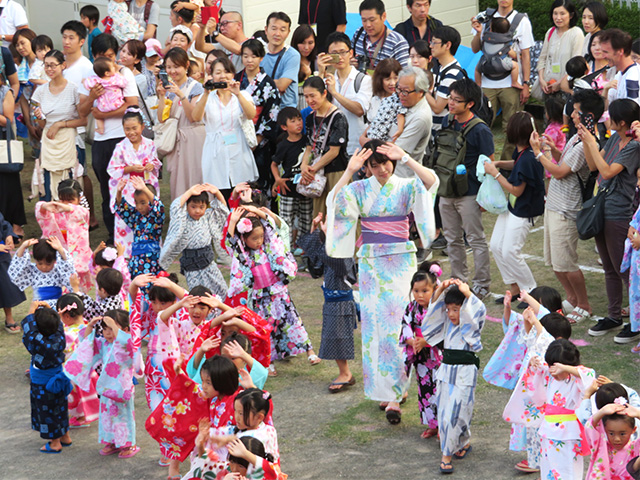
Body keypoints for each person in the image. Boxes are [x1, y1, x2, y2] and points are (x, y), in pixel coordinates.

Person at [326, 140, 438, 424]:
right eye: (374, 165)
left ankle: (398, 392)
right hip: (372, 263)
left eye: (386, 163)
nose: (381, 169)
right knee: (376, 327)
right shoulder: (360, 188)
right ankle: (387, 391)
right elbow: (335, 203)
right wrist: (349, 170)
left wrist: (407, 158)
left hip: (401, 261)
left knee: (402, 323)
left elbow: (431, 182)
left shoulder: (406, 185)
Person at [534, 89, 604, 324]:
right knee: (556, 262)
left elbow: (561, 171)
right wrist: (552, 149)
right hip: (555, 204)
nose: (572, 115)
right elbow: (564, 160)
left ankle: (584, 304)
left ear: (589, 115)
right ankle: (572, 299)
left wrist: (539, 154)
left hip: (567, 208)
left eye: (576, 111)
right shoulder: (577, 137)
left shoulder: (587, 141)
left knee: (567, 262)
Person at [226, 206, 319, 376]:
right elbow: (231, 243)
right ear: (244, 239)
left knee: (293, 322)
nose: (259, 241)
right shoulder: (243, 254)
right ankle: (269, 362)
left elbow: (269, 225)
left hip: (279, 292)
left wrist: (254, 210)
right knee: (265, 331)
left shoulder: (269, 246)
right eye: (254, 238)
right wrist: (233, 221)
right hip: (260, 297)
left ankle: (310, 352)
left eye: (261, 236)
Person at [578, 99, 640, 340]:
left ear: (622, 121)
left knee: (623, 268)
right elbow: (594, 165)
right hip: (602, 207)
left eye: (611, 116)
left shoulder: (634, 147)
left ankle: (636, 321)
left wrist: (593, 142)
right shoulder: (615, 138)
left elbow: (607, 171)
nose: (607, 118)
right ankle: (614, 316)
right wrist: (587, 141)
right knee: (609, 267)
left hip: (619, 212)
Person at [435, 78, 494, 300]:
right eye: (450, 98)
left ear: (470, 104)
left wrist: (484, 197)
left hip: (469, 193)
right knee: (452, 239)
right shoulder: (448, 122)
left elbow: (489, 162)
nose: (450, 103)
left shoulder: (480, 129)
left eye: (456, 100)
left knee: (475, 238)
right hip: (446, 191)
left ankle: (482, 284)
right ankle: (459, 279)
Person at [503, 339, 595, 479]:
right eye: (552, 367)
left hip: (568, 433)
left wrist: (565, 369)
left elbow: (589, 375)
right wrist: (532, 363)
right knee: (548, 467)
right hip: (548, 429)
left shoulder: (577, 378)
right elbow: (537, 370)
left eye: (558, 368)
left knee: (568, 469)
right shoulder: (551, 374)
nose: (554, 372)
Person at [79, 33, 139, 243]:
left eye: (110, 55)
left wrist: (103, 114)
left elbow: (132, 104)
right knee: (106, 188)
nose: (106, 61)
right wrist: (93, 98)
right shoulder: (90, 75)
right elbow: (82, 110)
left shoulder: (123, 74)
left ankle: (132, 232)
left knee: (127, 186)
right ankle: (113, 234)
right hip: (100, 140)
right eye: (100, 56)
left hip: (122, 138)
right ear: (93, 56)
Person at [422, 279, 486, 473]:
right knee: (445, 414)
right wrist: (441, 287)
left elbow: (480, 310)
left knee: (456, 414)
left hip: (465, 372)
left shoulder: (471, 323)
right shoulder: (445, 322)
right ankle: (463, 442)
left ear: (465, 308)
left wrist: (468, 294)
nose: (450, 314)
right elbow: (433, 308)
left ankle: (446, 456)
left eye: (456, 309)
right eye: (448, 309)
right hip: (446, 371)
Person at [64, 309, 140, 458]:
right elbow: (88, 344)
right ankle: (111, 441)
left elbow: (127, 343)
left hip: (121, 387)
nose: (107, 333)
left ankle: (128, 444)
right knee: (107, 415)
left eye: (111, 329)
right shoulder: (104, 343)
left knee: (123, 417)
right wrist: (90, 327)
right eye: (105, 329)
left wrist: (116, 329)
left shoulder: (128, 342)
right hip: (106, 386)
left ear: (125, 330)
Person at [484, 112, 545, 296]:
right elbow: (516, 164)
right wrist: (499, 163)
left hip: (524, 209)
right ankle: (514, 285)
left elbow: (516, 190)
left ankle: (531, 290)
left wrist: (495, 173)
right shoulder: (522, 150)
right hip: (514, 206)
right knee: (496, 245)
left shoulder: (528, 157)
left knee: (510, 250)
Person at [297, 212, 358, 392]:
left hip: (341, 302)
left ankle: (345, 373)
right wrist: (315, 231)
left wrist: (322, 238)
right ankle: (344, 372)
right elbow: (315, 265)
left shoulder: (343, 252)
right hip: (331, 301)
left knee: (339, 337)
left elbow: (332, 260)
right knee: (333, 337)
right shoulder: (330, 248)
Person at [470, 0, 534, 159]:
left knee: (512, 127)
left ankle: (507, 165)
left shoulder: (522, 21)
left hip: (511, 84)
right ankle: (481, 162)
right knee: (480, 123)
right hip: (486, 82)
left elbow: (525, 55)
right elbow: (474, 48)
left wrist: (526, 83)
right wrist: (479, 32)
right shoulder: (485, 17)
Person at [192, 56, 258, 197]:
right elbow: (196, 117)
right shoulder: (206, 97)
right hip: (215, 149)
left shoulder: (243, 94)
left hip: (238, 147)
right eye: (218, 72)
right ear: (211, 76)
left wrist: (238, 94)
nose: (223, 76)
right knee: (218, 191)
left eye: (227, 71)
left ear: (233, 74)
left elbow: (251, 114)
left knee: (241, 190)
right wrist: (205, 92)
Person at [32, 50, 87, 202]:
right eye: (46, 66)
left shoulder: (74, 89)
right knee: (48, 184)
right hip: (49, 143)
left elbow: (83, 120)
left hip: (69, 143)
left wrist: (60, 124)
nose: (49, 69)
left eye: (53, 65)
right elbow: (43, 125)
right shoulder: (40, 92)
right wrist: (39, 118)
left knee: (71, 186)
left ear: (63, 66)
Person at [107, 107, 161, 256]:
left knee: (147, 216)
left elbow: (156, 163)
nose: (131, 132)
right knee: (126, 219)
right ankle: (125, 254)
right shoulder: (120, 147)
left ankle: (149, 251)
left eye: (134, 128)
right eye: (127, 129)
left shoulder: (150, 144)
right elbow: (113, 169)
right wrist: (129, 168)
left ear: (142, 127)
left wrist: (152, 165)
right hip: (128, 189)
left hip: (145, 186)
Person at [159, 184, 229, 299]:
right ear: (187, 206)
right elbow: (175, 207)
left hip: (209, 262)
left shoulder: (208, 216)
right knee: (198, 295)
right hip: (192, 266)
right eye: (193, 206)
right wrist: (189, 192)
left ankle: (223, 313)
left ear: (206, 206)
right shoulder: (182, 219)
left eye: (201, 207)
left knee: (221, 289)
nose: (197, 211)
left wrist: (217, 192)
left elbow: (222, 209)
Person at [399, 261, 443, 439]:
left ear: (434, 290)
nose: (420, 295)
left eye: (425, 291)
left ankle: (443, 426)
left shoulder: (438, 309)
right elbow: (405, 324)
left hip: (437, 355)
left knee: (440, 390)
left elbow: (442, 329)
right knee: (425, 390)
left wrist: (426, 341)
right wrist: (411, 340)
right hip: (421, 355)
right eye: (416, 291)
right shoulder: (411, 308)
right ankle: (432, 425)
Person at [60, 21, 97, 230]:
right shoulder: (60, 64)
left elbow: (85, 105)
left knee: (80, 174)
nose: (66, 41)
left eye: (71, 37)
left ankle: (89, 215)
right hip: (58, 129)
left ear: (82, 41)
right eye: (64, 36)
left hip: (77, 129)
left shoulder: (86, 67)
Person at [21, 302, 73, 454]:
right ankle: (65, 436)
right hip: (58, 379)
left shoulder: (38, 341)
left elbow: (29, 332)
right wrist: (50, 311)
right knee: (60, 408)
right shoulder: (59, 336)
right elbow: (56, 324)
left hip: (42, 385)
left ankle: (55, 442)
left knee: (47, 412)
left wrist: (31, 313)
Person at [155, 47, 205, 201]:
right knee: (177, 180)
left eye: (176, 67)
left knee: (196, 177)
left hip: (194, 138)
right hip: (176, 141)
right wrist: (162, 97)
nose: (172, 71)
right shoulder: (167, 88)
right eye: (169, 67)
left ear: (186, 66)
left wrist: (181, 94)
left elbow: (194, 117)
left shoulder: (195, 87)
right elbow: (161, 118)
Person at [235, 38, 281, 192]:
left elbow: (272, 113)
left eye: (254, 56)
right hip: (236, 136)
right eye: (245, 56)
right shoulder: (235, 80)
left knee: (260, 179)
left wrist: (257, 139)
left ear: (261, 58)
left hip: (260, 140)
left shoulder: (268, 83)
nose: (249, 60)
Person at [299, 76, 349, 217]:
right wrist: (304, 166)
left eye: (312, 96)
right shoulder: (309, 118)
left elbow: (334, 151)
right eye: (306, 96)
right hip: (316, 172)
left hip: (335, 171)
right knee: (319, 215)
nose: (309, 101)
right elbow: (309, 146)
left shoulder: (338, 117)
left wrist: (312, 169)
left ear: (324, 93)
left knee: (339, 213)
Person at [319, 31, 372, 157]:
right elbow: (317, 108)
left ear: (351, 53)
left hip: (356, 148)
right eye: (334, 54)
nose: (340, 57)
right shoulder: (327, 80)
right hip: (331, 148)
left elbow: (359, 110)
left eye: (343, 52)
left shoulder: (363, 80)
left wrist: (334, 93)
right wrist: (321, 72)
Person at [35, 188, 92, 293]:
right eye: (62, 200)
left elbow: (82, 212)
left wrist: (67, 207)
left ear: (80, 199)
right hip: (56, 257)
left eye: (70, 200)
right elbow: (40, 209)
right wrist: (45, 206)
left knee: (78, 292)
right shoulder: (54, 210)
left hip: (77, 258)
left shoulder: (82, 211)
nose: (65, 204)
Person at [271, 107, 312, 248]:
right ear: (284, 127)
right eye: (293, 121)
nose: (298, 123)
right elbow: (274, 164)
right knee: (286, 221)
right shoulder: (283, 145)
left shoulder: (308, 141)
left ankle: (303, 248)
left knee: (306, 219)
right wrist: (278, 179)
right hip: (287, 189)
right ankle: (285, 249)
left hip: (306, 188)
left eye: (299, 119)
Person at [532, 0, 584, 100]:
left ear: (571, 15)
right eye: (555, 13)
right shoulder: (551, 32)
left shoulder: (576, 33)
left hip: (566, 89)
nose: (558, 18)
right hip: (548, 87)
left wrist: (559, 84)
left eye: (562, 14)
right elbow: (542, 58)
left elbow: (576, 65)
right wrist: (542, 80)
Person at [115, 176, 165, 279]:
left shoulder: (155, 217)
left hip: (151, 259)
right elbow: (123, 208)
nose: (139, 207)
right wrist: (119, 192)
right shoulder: (136, 217)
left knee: (149, 286)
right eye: (136, 203)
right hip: (136, 260)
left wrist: (145, 189)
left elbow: (158, 207)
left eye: (143, 202)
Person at [392, 66, 433, 175]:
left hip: (402, 176)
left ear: (420, 92)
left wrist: (369, 143)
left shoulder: (421, 117)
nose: (400, 95)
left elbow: (395, 150)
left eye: (405, 91)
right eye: (398, 89)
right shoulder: (405, 102)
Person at [351, 0, 410, 72]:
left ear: (383, 16)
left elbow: (404, 75)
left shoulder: (397, 42)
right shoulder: (359, 34)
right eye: (364, 20)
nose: (368, 25)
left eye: (372, 20)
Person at [0, 78, 26, 239]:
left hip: (2, 143)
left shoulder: (6, 92)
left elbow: (8, 120)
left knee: (8, 184)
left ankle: (15, 224)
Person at [427, 26, 466, 132]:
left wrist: (421, 89)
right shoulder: (442, 68)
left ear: (447, 45)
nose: (430, 46)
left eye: (434, 42)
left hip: (443, 131)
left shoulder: (452, 74)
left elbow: (437, 108)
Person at [260, 12, 300, 109]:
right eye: (273, 29)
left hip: (285, 110)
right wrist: (274, 84)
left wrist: (259, 83)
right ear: (266, 30)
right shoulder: (259, 52)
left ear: (288, 32)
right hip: (263, 110)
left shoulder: (292, 55)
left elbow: (282, 85)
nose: (277, 34)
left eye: (282, 30)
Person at [360, 58, 403, 142]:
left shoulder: (402, 101)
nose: (392, 83)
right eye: (387, 79)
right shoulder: (374, 99)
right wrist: (363, 138)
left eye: (395, 78)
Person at [474, 17, 522, 90]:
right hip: (501, 64)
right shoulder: (506, 42)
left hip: (484, 64)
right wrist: (517, 56)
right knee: (515, 66)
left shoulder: (485, 39)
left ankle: (478, 83)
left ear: (491, 29)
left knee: (477, 69)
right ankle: (514, 82)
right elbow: (513, 55)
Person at [83, 57, 128, 135]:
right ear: (107, 73)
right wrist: (118, 73)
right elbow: (124, 83)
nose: (115, 68)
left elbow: (87, 85)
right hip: (116, 104)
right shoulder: (114, 79)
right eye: (113, 67)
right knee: (124, 103)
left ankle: (100, 128)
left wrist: (84, 81)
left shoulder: (96, 80)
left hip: (103, 106)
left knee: (98, 116)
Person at [600, 29, 640, 107]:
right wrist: (605, 89)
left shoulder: (633, 78)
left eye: (606, 52)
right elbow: (605, 107)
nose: (603, 56)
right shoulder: (619, 74)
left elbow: (631, 113)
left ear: (620, 51)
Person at [0, 212, 25, 333]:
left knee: (6, 286)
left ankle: (9, 317)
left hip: (2, 256)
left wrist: (9, 236)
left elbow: (4, 224)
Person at [290, 24, 317, 109]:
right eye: (302, 43)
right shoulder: (290, 61)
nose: (306, 47)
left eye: (310, 43)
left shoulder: (316, 61)